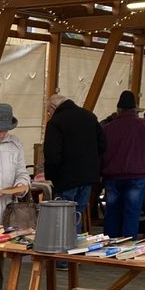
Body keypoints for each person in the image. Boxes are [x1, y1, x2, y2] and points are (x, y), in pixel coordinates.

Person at [101, 90, 145, 238]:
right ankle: (127, 250)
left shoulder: (108, 128)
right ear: (135, 109)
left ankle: (110, 248)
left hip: (112, 177)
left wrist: (100, 173)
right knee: (132, 214)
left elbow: (100, 153)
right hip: (138, 177)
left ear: (118, 109)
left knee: (112, 213)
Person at [43, 93, 106, 232]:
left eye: (48, 111)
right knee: (78, 213)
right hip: (88, 177)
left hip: (66, 179)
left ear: (53, 107)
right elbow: (103, 144)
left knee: (63, 216)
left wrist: (51, 176)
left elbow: (52, 155)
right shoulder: (90, 116)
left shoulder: (55, 122)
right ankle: (74, 246)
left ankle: (65, 248)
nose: (49, 114)